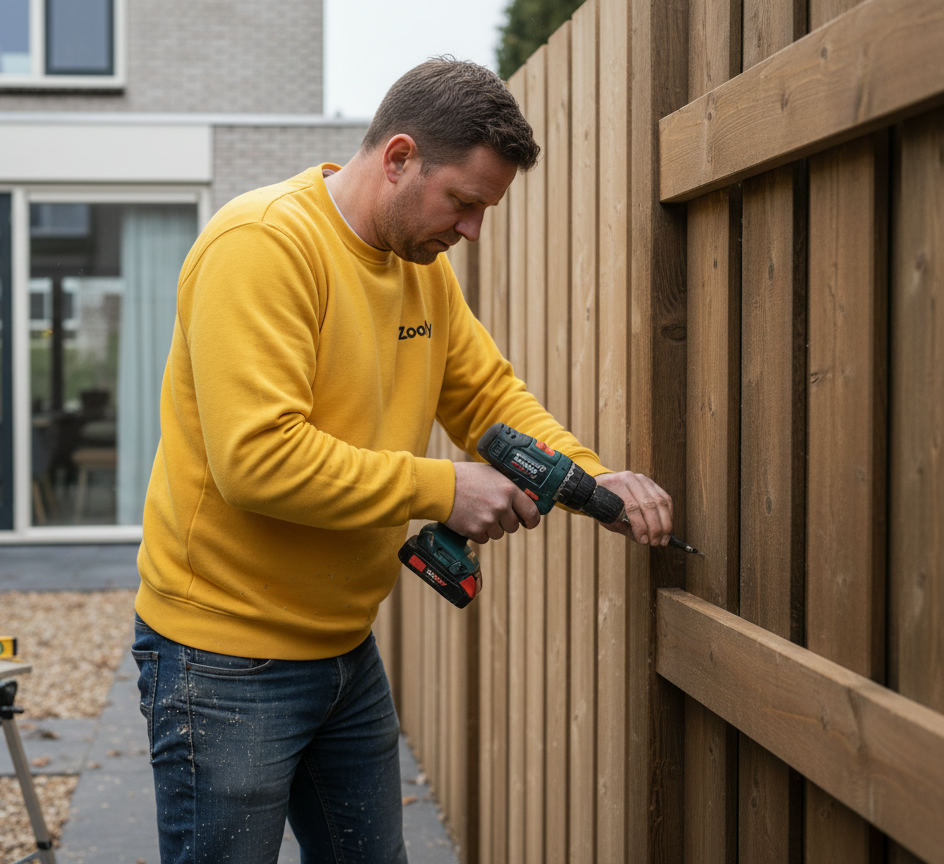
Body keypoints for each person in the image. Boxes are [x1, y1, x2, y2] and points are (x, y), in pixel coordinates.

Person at [131, 57, 675, 864]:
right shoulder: (264, 245)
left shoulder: (422, 275)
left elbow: (490, 404)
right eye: (463, 202)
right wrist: (443, 489)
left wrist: (593, 481)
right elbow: (257, 459)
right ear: (398, 157)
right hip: (222, 662)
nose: (471, 231)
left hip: (344, 650)